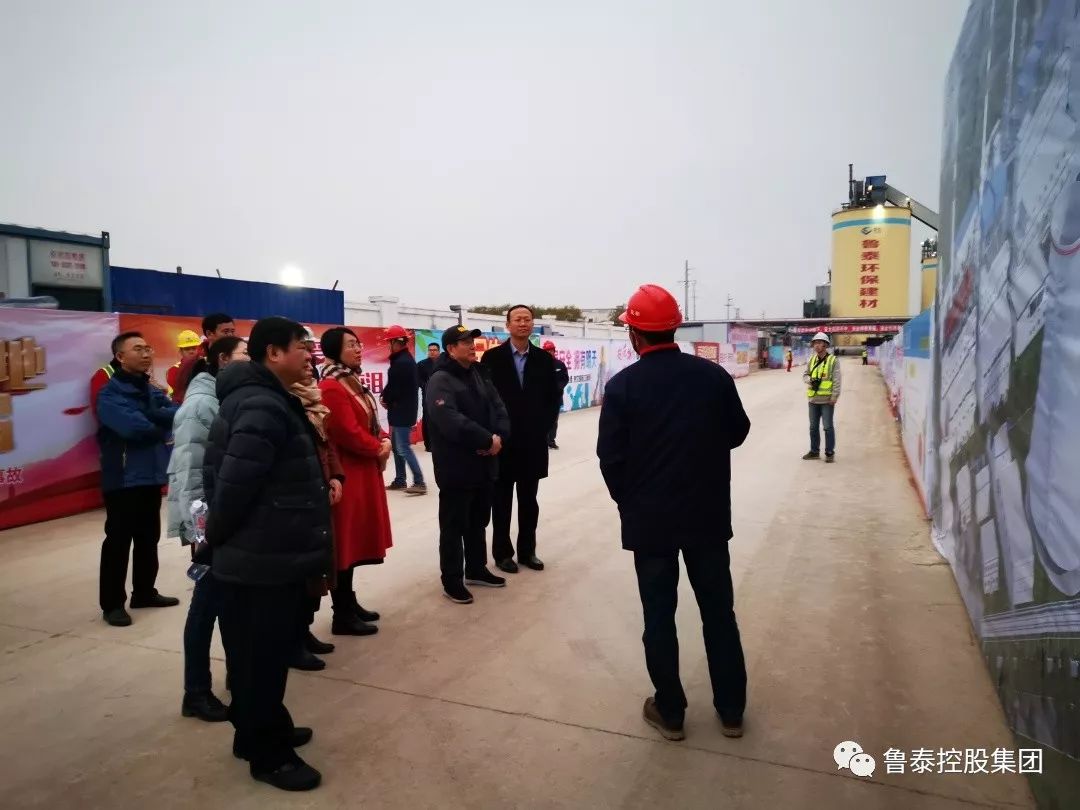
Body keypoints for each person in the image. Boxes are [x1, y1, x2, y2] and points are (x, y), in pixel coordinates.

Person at [597, 284, 751, 743]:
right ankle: (731, 712)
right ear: (673, 328)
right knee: (719, 613)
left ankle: (671, 712)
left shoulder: (623, 387)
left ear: (634, 334)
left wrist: (630, 503)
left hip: (651, 523)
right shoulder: (713, 377)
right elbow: (737, 432)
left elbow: (611, 459)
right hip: (706, 516)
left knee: (659, 617)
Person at [204, 317, 331, 792]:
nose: (309, 355)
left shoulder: (271, 397)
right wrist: (217, 542)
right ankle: (269, 757)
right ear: (273, 353)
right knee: (260, 660)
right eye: (302, 347)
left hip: (268, 552)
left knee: (261, 656)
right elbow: (234, 488)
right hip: (259, 558)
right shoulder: (261, 404)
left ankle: (259, 730)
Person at [166, 335, 249, 722]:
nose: (252, 360)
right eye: (245, 354)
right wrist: (203, 533)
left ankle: (239, 676)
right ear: (223, 360)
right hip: (210, 526)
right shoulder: (200, 404)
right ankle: (195, 691)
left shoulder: (227, 397)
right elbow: (190, 474)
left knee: (233, 605)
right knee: (206, 606)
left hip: (228, 522)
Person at [96, 332, 181, 627]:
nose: (146, 354)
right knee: (118, 542)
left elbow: (175, 412)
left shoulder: (149, 388)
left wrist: (155, 416)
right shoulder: (110, 394)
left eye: (148, 348)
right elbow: (134, 428)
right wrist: (158, 422)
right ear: (120, 357)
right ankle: (112, 604)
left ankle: (144, 592)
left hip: (150, 475)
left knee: (148, 538)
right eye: (138, 349)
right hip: (123, 479)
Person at [425, 324, 511, 604]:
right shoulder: (440, 379)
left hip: (484, 463)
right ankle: (451, 580)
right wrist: (486, 439)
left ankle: (476, 568)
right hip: (456, 465)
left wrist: (499, 437)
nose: (472, 346)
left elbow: (499, 407)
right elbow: (449, 420)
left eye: (472, 341)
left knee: (478, 520)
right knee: (454, 525)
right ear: (451, 349)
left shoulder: (478, 372)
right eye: (465, 342)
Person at [318, 327, 394, 636]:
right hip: (348, 473)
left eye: (359, 343)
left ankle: (349, 603)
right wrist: (378, 447)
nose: (358, 349)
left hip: (363, 470)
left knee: (355, 542)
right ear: (334, 350)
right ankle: (342, 614)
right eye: (351, 345)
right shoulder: (332, 386)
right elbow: (346, 432)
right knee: (345, 544)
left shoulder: (351, 381)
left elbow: (370, 422)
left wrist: (383, 439)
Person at [480, 306, 561, 574]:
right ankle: (503, 554)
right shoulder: (492, 358)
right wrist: (493, 434)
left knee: (529, 501)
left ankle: (528, 551)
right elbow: (485, 400)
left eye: (527, 319)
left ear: (533, 324)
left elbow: (553, 399)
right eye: (518, 319)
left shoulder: (544, 360)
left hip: (532, 442)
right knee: (501, 502)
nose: (523, 323)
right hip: (502, 443)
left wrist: (542, 429)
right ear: (508, 325)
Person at [289, 358, 344, 668]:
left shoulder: (314, 400)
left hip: (320, 492)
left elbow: (327, 443)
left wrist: (336, 476)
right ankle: (292, 640)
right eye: (303, 359)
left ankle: (304, 631)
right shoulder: (285, 402)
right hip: (300, 499)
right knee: (301, 573)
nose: (309, 366)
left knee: (318, 568)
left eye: (312, 361)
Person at [381, 324, 427, 495]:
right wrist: (386, 397)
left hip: (402, 411)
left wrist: (386, 399)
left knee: (403, 447)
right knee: (397, 447)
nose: (388, 345)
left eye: (389, 342)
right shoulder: (403, 360)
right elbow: (393, 385)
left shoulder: (402, 363)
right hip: (401, 410)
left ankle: (419, 482)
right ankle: (400, 480)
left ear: (396, 342)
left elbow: (395, 388)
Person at [172, 313, 237, 404]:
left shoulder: (240, 359)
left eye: (232, 331)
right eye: (225, 332)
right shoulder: (193, 363)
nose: (230, 336)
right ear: (209, 334)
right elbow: (180, 397)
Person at [803, 331, 841, 463]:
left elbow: (837, 380)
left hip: (827, 400)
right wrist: (810, 380)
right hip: (813, 399)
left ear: (825, 345)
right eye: (815, 343)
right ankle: (814, 451)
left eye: (819, 343)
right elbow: (805, 375)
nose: (816, 345)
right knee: (813, 427)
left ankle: (829, 453)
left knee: (827, 427)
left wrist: (834, 396)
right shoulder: (812, 359)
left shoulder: (833, 360)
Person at [544, 341, 569, 449]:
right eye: (547, 351)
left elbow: (565, 378)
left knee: (554, 420)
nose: (549, 352)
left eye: (551, 350)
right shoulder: (539, 365)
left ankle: (551, 440)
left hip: (556, 398)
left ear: (554, 351)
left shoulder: (560, 365)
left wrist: (557, 388)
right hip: (543, 398)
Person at [416, 342, 441, 451]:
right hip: (427, 396)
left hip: (442, 395)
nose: (432, 352)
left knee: (441, 418)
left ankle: (440, 442)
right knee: (428, 419)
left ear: (439, 351)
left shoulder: (443, 363)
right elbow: (417, 379)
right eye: (430, 350)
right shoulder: (421, 364)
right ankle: (429, 444)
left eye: (434, 350)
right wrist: (425, 385)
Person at [167, 330, 203, 400]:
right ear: (180, 351)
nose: (191, 351)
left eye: (194, 348)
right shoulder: (173, 371)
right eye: (187, 349)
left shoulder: (207, 365)